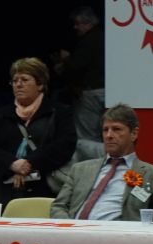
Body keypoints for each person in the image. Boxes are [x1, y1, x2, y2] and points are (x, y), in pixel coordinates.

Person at [0, 58, 76, 207]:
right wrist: (12, 164)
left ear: (40, 84)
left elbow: (65, 145)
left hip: (46, 191)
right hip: (4, 192)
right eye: (15, 80)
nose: (18, 84)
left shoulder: (60, 112)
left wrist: (30, 163)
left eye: (24, 80)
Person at [50, 104, 153, 221]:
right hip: (75, 233)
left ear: (134, 134)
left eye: (116, 129)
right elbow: (58, 206)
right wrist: (70, 228)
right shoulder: (79, 170)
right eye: (105, 130)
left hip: (119, 236)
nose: (109, 135)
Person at [54, 6, 105, 160]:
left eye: (78, 23)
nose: (75, 27)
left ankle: (89, 171)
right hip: (106, 91)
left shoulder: (89, 40)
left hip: (90, 92)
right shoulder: (105, 36)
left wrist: (66, 60)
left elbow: (77, 67)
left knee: (86, 138)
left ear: (88, 23)